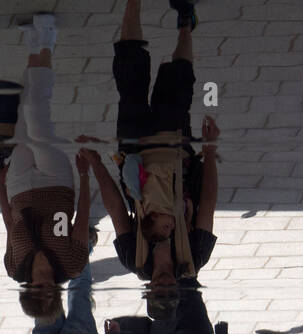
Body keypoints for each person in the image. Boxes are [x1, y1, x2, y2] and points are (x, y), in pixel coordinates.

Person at [84, 1, 216, 287]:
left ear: (149, 290)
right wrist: (211, 151)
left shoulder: (135, 260)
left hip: (134, 153)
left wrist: (96, 163)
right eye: (170, 293)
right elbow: (207, 202)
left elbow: (118, 210)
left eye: (158, 293)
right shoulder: (194, 256)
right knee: (179, 79)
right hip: (175, 151)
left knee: (130, 72)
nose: (164, 285)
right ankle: (185, 24)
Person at [0, 14, 91, 318]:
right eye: (50, 296)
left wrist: (0, 182)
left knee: (23, 119)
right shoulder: (72, 265)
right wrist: (86, 175)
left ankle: (34, 46)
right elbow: (81, 220)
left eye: (38, 293)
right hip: (57, 184)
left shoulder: (15, 267)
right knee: (37, 120)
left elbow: (10, 225)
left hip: (19, 186)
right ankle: (47, 39)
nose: (45, 289)